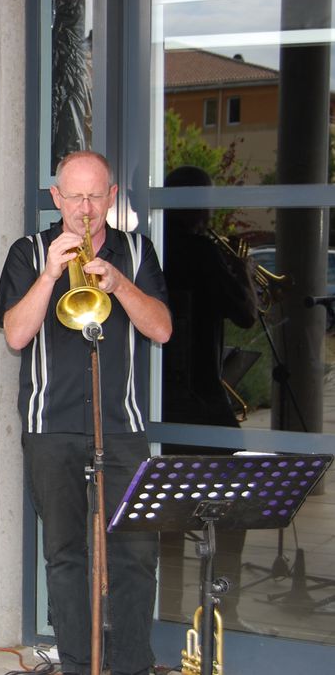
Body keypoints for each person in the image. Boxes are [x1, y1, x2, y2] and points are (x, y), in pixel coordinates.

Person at [0, 151, 172, 675]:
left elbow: (161, 329)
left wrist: (118, 284)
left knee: (135, 556)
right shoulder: (27, 252)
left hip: (122, 426)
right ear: (57, 198)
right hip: (50, 427)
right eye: (75, 197)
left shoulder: (136, 252)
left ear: (112, 197)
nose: (86, 209)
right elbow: (17, 335)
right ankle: (77, 664)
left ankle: (133, 665)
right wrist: (49, 275)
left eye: (96, 196)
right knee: (65, 556)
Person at [160, 164, 257, 629]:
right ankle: (226, 611)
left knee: (169, 514)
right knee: (236, 504)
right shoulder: (202, 252)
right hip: (199, 397)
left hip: (162, 396)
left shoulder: (155, 248)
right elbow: (244, 315)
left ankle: (171, 608)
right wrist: (245, 273)